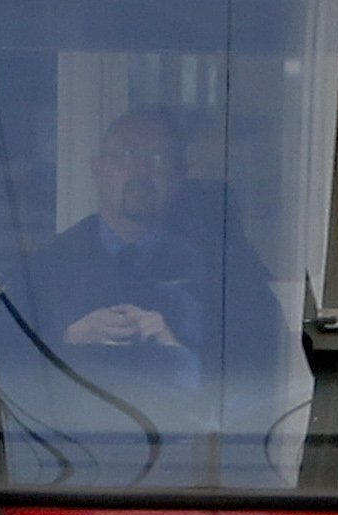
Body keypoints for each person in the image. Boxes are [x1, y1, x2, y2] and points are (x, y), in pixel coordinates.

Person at [33, 104, 257, 387]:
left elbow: (268, 370)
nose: (141, 170)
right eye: (128, 155)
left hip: (189, 429)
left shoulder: (225, 269)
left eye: (159, 158)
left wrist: (180, 356)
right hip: (69, 430)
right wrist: (69, 339)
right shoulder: (48, 264)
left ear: (179, 175)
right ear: (98, 168)